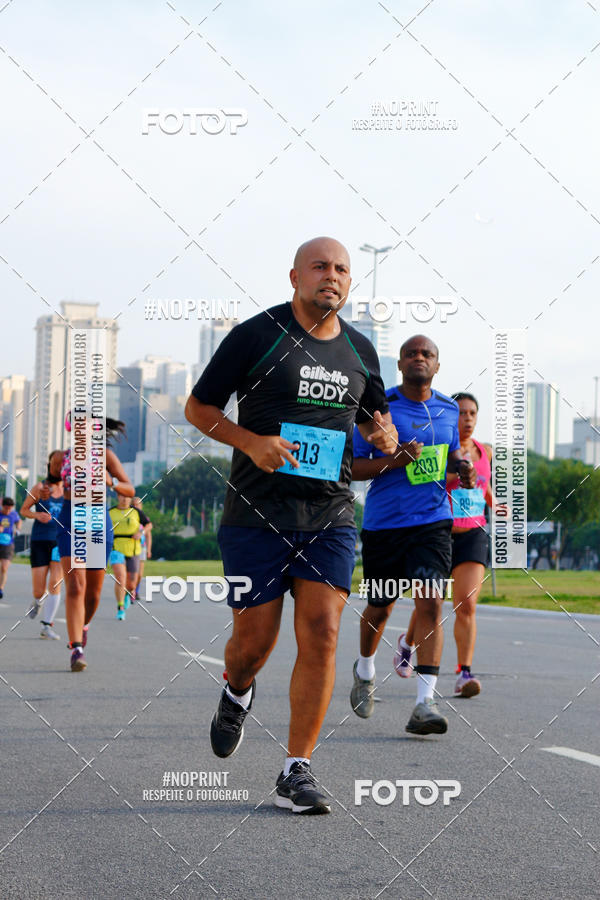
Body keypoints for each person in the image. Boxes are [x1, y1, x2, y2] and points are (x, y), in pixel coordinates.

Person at [185, 236, 397, 815]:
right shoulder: (256, 336)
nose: (332, 276)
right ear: (295, 277)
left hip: (329, 515)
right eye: (321, 267)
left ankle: (295, 769)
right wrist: (250, 441)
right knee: (252, 645)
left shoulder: (361, 351)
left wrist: (385, 437)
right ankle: (237, 688)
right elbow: (198, 409)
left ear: (350, 283)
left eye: (342, 269)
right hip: (255, 514)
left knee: (324, 632)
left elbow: (376, 423)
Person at [350, 335, 475, 735]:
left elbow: (453, 455)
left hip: (433, 521)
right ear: (400, 365)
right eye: (411, 354)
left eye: (427, 354)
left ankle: (425, 703)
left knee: (431, 603)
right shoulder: (379, 410)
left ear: (437, 366)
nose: (419, 358)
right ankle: (365, 668)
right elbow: (352, 468)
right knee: (381, 607)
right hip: (385, 523)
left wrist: (464, 469)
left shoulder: (447, 408)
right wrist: (395, 460)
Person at [398, 393, 495, 699]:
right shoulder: (437, 450)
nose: (467, 418)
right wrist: (453, 474)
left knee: (465, 604)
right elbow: (420, 481)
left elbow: (485, 488)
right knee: (431, 602)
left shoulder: (485, 451)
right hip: (438, 532)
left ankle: (464, 673)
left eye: (472, 413)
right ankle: (407, 644)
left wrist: (499, 506)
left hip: (473, 534)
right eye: (461, 413)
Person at [57, 413, 134, 671]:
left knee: (93, 593)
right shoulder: (61, 458)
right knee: (76, 587)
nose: (81, 427)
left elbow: (129, 489)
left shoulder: (105, 457)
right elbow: (50, 483)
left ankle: (83, 625)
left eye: (85, 423)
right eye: (76, 423)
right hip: (70, 520)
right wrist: (45, 491)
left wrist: (110, 481)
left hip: (98, 522)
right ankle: (76, 649)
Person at [20, 450, 64, 639]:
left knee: (55, 583)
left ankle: (46, 626)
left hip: (60, 540)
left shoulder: (71, 490)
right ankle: (38, 601)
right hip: (39, 540)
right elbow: (24, 509)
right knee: (39, 590)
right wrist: (37, 514)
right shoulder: (40, 487)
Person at [109, 495, 142, 620]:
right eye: (122, 497)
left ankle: (128, 594)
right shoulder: (110, 512)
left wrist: (141, 532)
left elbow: (149, 524)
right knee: (120, 578)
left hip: (133, 549)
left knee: (131, 584)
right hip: (116, 548)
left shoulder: (136, 512)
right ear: (117, 497)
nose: (124, 500)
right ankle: (120, 607)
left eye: (127, 497)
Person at [0, 497, 22, 599]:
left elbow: (19, 521)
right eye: (6, 509)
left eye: (10, 509)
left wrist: (17, 529)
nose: (8, 511)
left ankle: (1, 589)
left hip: (8, 544)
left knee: (4, 568)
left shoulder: (14, 514)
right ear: (2, 506)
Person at [132, 496, 152, 600]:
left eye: (138, 504)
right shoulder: (129, 517)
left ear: (141, 506)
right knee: (132, 572)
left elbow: (148, 536)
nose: (136, 507)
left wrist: (149, 549)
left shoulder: (145, 519)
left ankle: (136, 590)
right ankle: (130, 591)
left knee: (139, 574)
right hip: (130, 548)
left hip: (141, 548)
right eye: (134, 505)